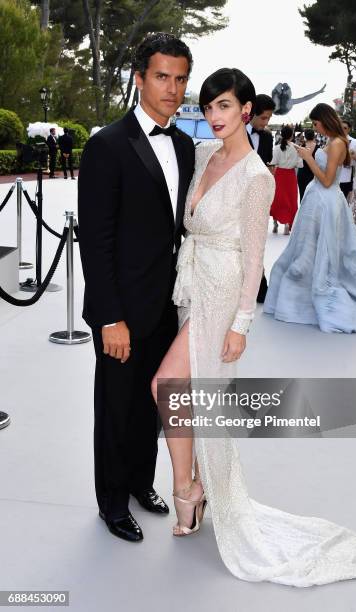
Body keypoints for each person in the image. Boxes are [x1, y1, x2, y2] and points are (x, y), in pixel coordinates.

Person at [151, 76, 356, 587]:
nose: (214, 115)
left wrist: (242, 323)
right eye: (208, 106)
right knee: (190, 394)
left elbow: (255, 257)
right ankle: (196, 485)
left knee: (167, 385)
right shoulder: (205, 155)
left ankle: (187, 489)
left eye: (224, 105)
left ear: (246, 109)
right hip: (193, 284)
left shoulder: (256, 176)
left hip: (224, 292)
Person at [77, 33, 195, 542]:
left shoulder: (186, 145)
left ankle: (141, 483)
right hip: (122, 309)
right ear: (140, 78)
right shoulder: (106, 145)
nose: (172, 88)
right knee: (115, 407)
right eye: (162, 76)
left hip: (167, 305)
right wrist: (109, 317)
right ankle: (110, 502)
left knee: (154, 402)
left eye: (180, 78)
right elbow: (95, 240)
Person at [264, 103, 356, 334]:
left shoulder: (338, 142)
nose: (315, 128)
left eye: (317, 124)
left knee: (322, 252)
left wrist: (308, 157)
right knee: (307, 250)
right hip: (317, 199)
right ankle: (301, 298)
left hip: (326, 200)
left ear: (325, 120)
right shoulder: (332, 141)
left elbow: (328, 180)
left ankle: (318, 298)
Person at [246, 93, 275, 302]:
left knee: (255, 242)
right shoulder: (235, 132)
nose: (266, 123)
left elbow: (267, 167)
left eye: (269, 119)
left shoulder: (267, 137)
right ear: (252, 114)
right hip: (235, 196)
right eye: (264, 118)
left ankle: (260, 287)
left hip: (257, 197)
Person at [270, 125, 302, 235]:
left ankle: (275, 223)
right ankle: (288, 223)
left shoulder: (277, 148)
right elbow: (300, 164)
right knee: (290, 199)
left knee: (278, 198)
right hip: (290, 175)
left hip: (279, 174)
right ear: (292, 135)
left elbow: (274, 162)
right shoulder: (296, 148)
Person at [296, 128, 318, 200]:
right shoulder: (318, 147)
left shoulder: (301, 147)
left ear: (305, 136)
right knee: (312, 197)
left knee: (302, 196)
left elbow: (297, 159)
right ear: (314, 136)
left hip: (302, 173)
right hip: (313, 173)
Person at [339, 118, 353, 200]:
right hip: (334, 174)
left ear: (349, 129)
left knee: (343, 200)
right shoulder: (334, 140)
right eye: (341, 128)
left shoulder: (353, 141)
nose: (342, 130)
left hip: (346, 174)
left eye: (345, 128)